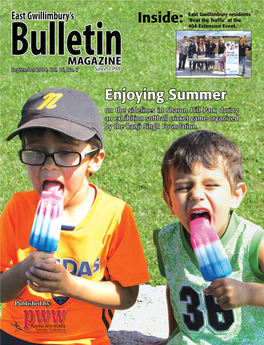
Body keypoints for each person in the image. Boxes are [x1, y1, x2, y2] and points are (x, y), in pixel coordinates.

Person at [0, 88, 150, 345]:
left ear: (95, 160)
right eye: (36, 152)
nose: (49, 165)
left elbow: (127, 295)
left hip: (83, 339)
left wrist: (70, 286)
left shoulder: (114, 215)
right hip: (15, 334)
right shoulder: (18, 208)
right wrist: (25, 269)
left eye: (66, 153)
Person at [153, 130, 264, 344]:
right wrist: (172, 336)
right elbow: (174, 288)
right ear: (168, 200)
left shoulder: (253, 242)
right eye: (184, 187)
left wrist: (249, 293)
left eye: (211, 185)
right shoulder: (168, 240)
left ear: (235, 195)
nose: (195, 194)